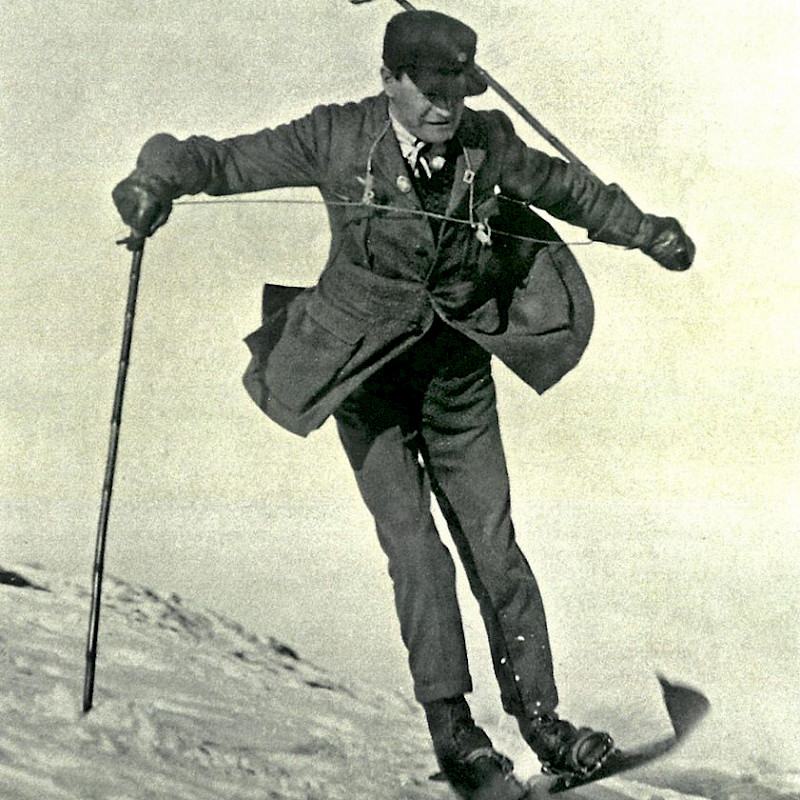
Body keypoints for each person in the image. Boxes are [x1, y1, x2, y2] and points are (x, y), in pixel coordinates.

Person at [112, 9, 694, 794]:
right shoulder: (336, 137)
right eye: (427, 90)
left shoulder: (488, 146)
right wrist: (156, 178)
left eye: (456, 89)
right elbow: (218, 160)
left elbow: (570, 189)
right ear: (388, 78)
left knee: (495, 547)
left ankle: (546, 725)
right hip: (363, 377)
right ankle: (457, 737)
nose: (443, 108)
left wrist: (647, 231)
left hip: (455, 374)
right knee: (418, 554)